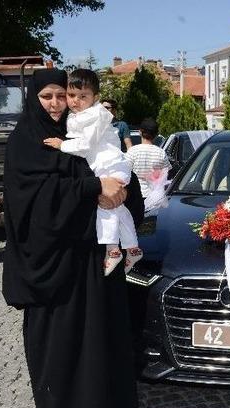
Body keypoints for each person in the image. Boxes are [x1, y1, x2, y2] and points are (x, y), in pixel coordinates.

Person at [2, 68, 142, 408]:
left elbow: (112, 166)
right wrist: (92, 188)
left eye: (61, 96)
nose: (55, 103)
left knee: (102, 333)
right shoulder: (25, 141)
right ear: (33, 98)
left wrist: (121, 190)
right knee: (62, 342)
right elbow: (32, 200)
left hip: (91, 257)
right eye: (47, 96)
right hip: (55, 264)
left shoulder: (79, 130)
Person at [44, 69, 143, 275]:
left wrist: (62, 145)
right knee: (117, 208)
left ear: (95, 97)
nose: (75, 101)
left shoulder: (96, 115)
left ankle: (112, 250)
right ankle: (132, 248)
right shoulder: (81, 115)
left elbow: (86, 145)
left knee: (106, 207)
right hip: (110, 165)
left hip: (109, 166)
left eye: (83, 96)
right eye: (71, 95)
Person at [127, 117, 168, 197]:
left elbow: (126, 173)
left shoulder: (132, 151)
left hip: (136, 195)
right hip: (155, 196)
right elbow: (165, 175)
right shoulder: (161, 153)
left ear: (140, 132)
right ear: (156, 135)